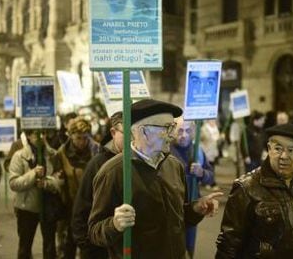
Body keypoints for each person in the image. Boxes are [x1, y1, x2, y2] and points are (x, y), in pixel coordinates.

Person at [88, 99, 222, 259]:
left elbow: (179, 218)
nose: (172, 135)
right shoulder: (113, 172)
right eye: (167, 128)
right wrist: (115, 225)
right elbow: (95, 232)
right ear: (143, 132)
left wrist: (196, 208)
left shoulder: (174, 166)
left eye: (172, 127)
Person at [215, 123, 293, 258]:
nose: (284, 156)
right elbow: (228, 244)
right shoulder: (246, 188)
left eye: (292, 150)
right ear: (269, 150)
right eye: (278, 149)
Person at [72, 111, 123, 259]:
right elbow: (81, 208)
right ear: (113, 133)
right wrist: (87, 246)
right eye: (126, 131)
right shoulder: (98, 163)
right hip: (99, 248)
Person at [9, 129, 61, 259]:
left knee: (50, 248)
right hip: (27, 208)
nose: (40, 137)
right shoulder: (19, 156)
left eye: (43, 133)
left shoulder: (53, 155)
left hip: (48, 207)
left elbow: (61, 181)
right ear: (28, 136)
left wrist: (47, 184)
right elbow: (14, 183)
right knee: (25, 247)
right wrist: (33, 174)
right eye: (36, 134)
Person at [55, 117, 101, 258]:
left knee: (89, 247)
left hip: (92, 207)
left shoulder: (96, 151)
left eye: (85, 137)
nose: (82, 142)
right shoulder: (62, 153)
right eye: (78, 138)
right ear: (71, 136)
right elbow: (58, 180)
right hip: (69, 206)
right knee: (69, 244)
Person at [170, 116, 215, 258]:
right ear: (172, 130)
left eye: (188, 131)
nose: (183, 135)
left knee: (189, 247)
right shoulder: (165, 151)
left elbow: (211, 176)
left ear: (194, 131)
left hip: (193, 208)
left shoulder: (198, 152)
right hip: (172, 210)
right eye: (180, 131)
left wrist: (202, 173)